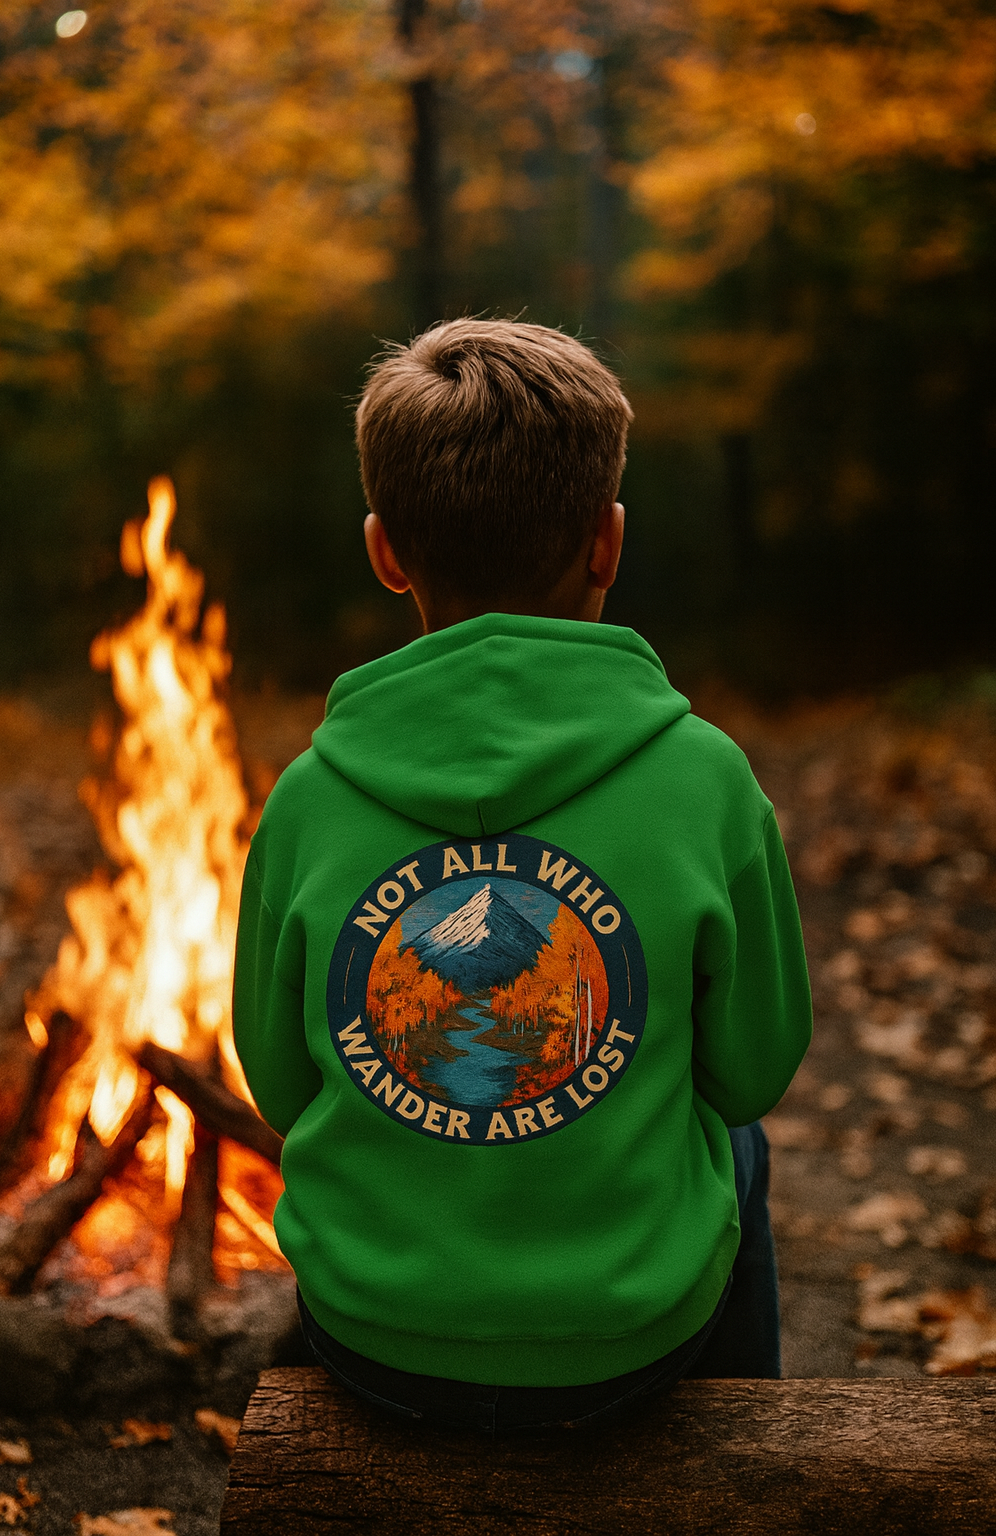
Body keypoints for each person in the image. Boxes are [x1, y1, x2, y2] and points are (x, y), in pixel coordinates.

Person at [232, 319, 812, 1436]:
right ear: (607, 542)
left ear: (385, 552)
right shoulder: (705, 779)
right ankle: (743, 1436)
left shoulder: (306, 796)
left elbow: (282, 1085)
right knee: (735, 1143)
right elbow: (750, 1073)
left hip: (374, 1336)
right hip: (630, 1343)